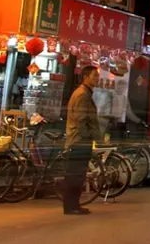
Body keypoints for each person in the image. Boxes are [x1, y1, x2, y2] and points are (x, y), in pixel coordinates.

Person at [64, 65, 101, 215]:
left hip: (80, 140)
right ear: (85, 77)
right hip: (78, 141)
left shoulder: (85, 93)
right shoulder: (82, 95)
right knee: (75, 175)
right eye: (94, 76)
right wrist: (87, 137)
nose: (97, 79)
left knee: (77, 175)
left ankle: (74, 205)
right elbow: (80, 120)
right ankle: (71, 206)